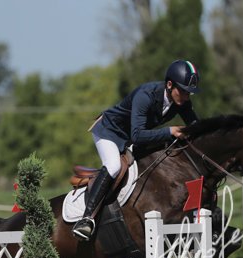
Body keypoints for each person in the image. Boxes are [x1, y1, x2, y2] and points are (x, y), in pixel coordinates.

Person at [72, 59, 202, 241]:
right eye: (183, 91)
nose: (187, 97)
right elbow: (137, 135)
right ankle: (86, 219)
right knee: (114, 166)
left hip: (131, 136)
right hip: (110, 132)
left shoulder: (182, 101)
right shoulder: (146, 95)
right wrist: (169, 131)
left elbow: (197, 128)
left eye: (189, 93)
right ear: (169, 84)